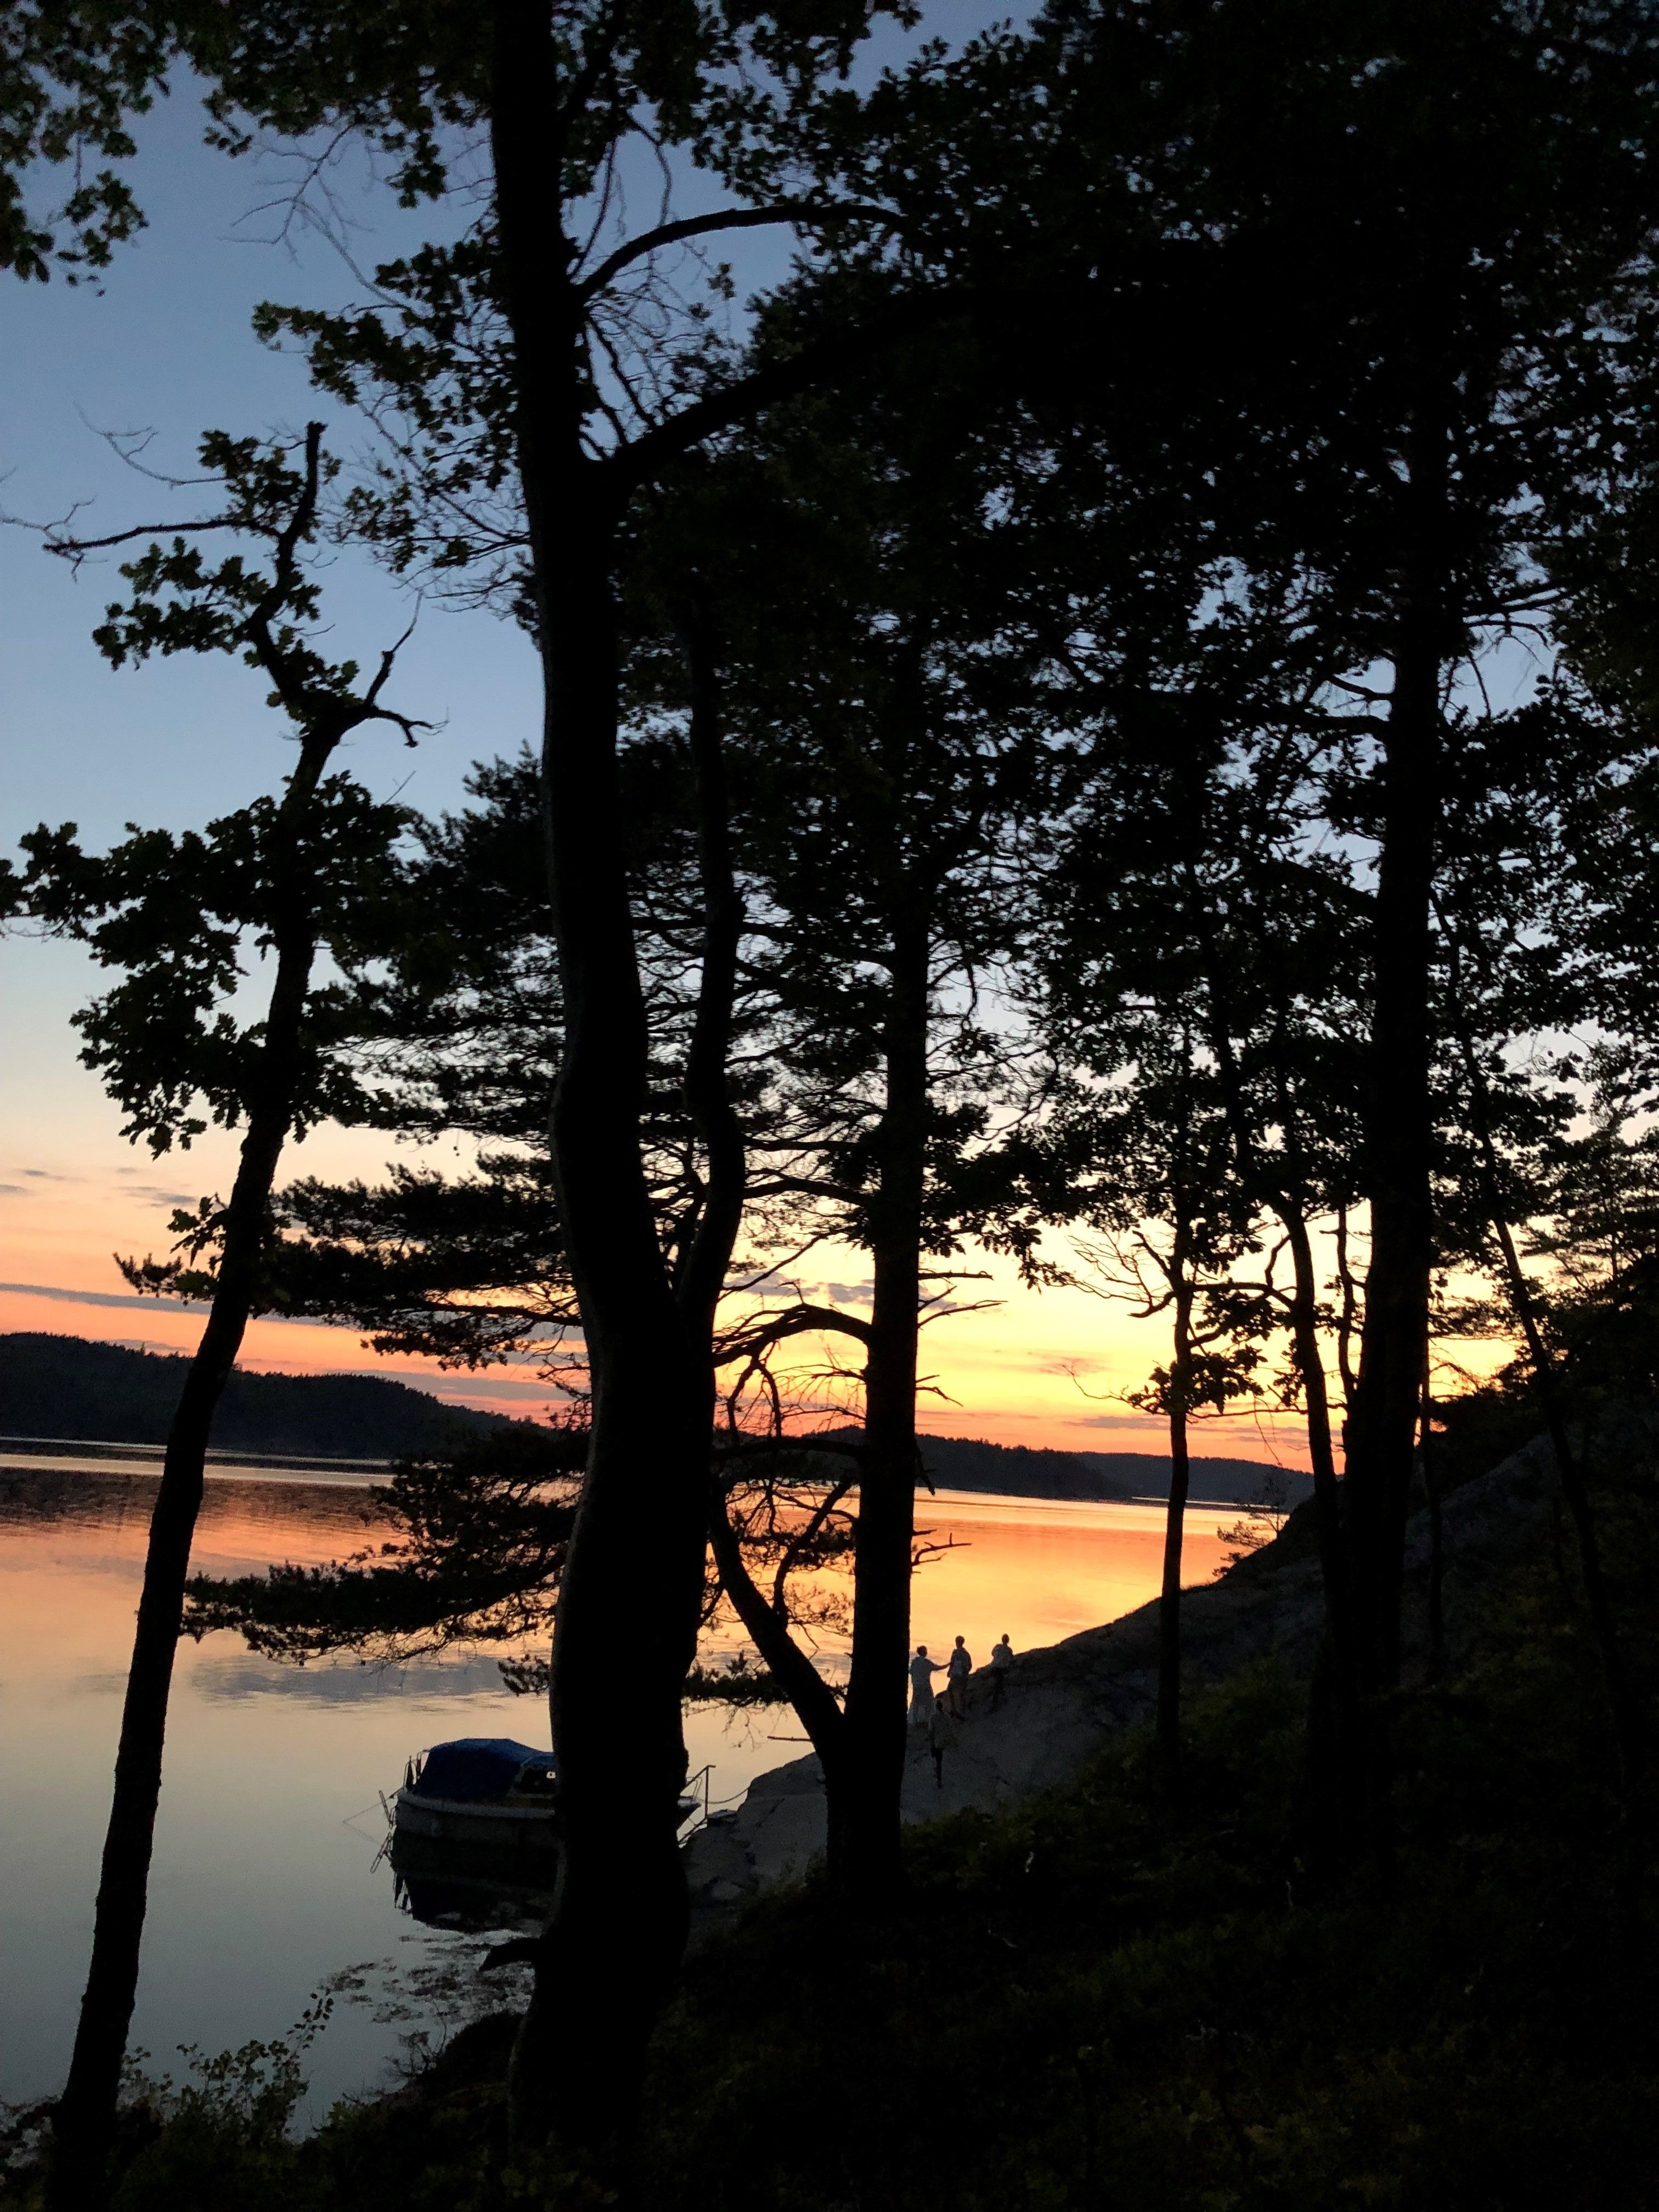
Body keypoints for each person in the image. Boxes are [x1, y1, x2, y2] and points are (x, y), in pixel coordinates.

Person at [909, 1644, 946, 1725]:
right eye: (925, 1651)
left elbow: (910, 1671)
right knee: (929, 1703)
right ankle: (929, 1722)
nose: (926, 1652)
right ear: (923, 1652)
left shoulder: (914, 1662)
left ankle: (915, 1722)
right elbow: (937, 1668)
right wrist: (948, 1665)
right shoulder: (926, 1662)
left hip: (916, 1686)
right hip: (925, 1686)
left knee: (916, 1704)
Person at [928, 1696, 959, 1790]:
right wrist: (955, 1740)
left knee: (938, 1760)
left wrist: (930, 1741)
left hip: (938, 1742)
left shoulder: (933, 1717)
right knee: (940, 1760)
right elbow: (951, 1729)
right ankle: (938, 1775)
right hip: (946, 1741)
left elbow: (930, 1731)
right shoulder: (947, 1717)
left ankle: (938, 1778)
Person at [945, 1633, 973, 1716]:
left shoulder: (956, 1653)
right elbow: (970, 1665)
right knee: (960, 1693)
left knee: (951, 1691)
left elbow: (952, 1663)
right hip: (962, 1676)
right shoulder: (966, 1654)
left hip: (957, 1676)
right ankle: (960, 1710)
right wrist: (966, 1673)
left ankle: (955, 1710)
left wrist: (950, 1672)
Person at [990, 1632, 1014, 1709]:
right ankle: (996, 1700)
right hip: (1001, 1669)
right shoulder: (1009, 1650)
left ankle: (998, 1698)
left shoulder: (997, 1647)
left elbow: (992, 1654)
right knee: (999, 1684)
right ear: (1008, 1641)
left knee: (998, 1683)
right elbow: (1011, 1659)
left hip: (994, 1668)